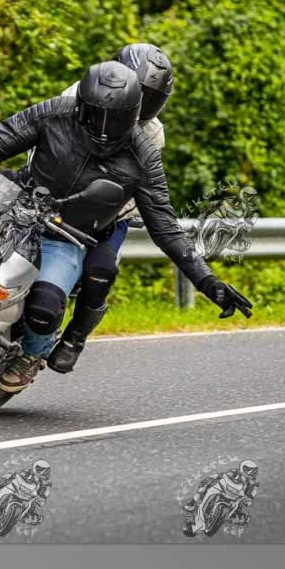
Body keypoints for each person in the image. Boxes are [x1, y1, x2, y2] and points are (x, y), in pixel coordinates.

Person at [0, 60, 252, 394]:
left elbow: (165, 226)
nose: (103, 127)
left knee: (45, 306)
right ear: (81, 102)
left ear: (135, 114)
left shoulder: (144, 154)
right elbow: (1, 140)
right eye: (95, 114)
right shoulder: (54, 111)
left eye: (115, 118)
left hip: (66, 234)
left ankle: (33, 353)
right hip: (13, 205)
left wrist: (208, 282)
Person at [45, 42, 174, 374]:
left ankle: (75, 337)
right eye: (139, 93)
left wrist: (104, 210)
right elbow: (46, 138)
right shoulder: (79, 96)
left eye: (151, 98)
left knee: (100, 270)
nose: (142, 103)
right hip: (54, 192)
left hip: (110, 212)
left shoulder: (152, 133)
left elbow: (138, 186)